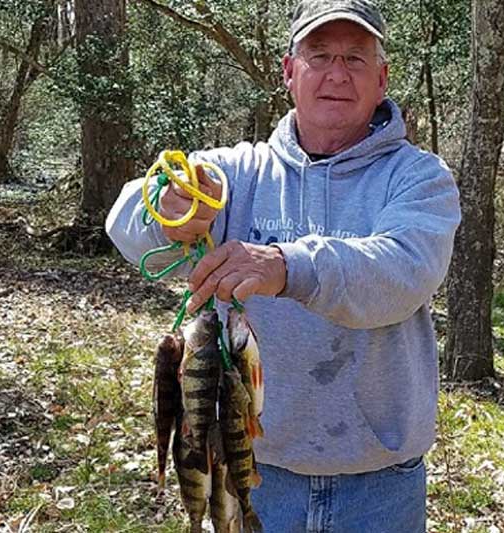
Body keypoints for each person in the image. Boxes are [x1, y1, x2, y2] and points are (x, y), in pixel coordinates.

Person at [106, 0, 460, 530]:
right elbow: (127, 214)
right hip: (253, 475)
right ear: (289, 72)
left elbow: (404, 272)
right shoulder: (235, 173)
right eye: (319, 55)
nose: (337, 73)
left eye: (355, 58)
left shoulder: (419, 178)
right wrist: (170, 216)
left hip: (380, 488)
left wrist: (287, 266)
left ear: (382, 78)